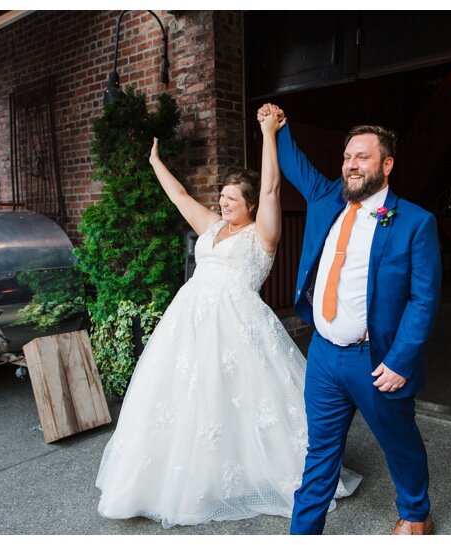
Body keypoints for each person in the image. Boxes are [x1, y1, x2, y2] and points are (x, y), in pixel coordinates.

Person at [95, 111, 360, 526]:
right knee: (186, 397)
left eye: (232, 198)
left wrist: (267, 134)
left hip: (238, 324)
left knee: (239, 396)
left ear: (250, 204)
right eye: (222, 196)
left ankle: (256, 471)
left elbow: (272, 185)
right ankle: (185, 476)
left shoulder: (263, 233)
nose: (223, 201)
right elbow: (181, 197)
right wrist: (155, 164)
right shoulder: (211, 227)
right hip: (189, 323)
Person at [265, 104, 442, 535]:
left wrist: (401, 361)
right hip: (324, 356)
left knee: (398, 441)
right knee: (321, 451)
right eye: (347, 157)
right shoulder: (327, 198)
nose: (351, 164)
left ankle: (416, 514)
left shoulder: (414, 222)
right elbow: (294, 165)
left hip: (377, 360)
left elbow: (424, 299)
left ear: (387, 164)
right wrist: (279, 127)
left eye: (362, 156)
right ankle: (303, 533)